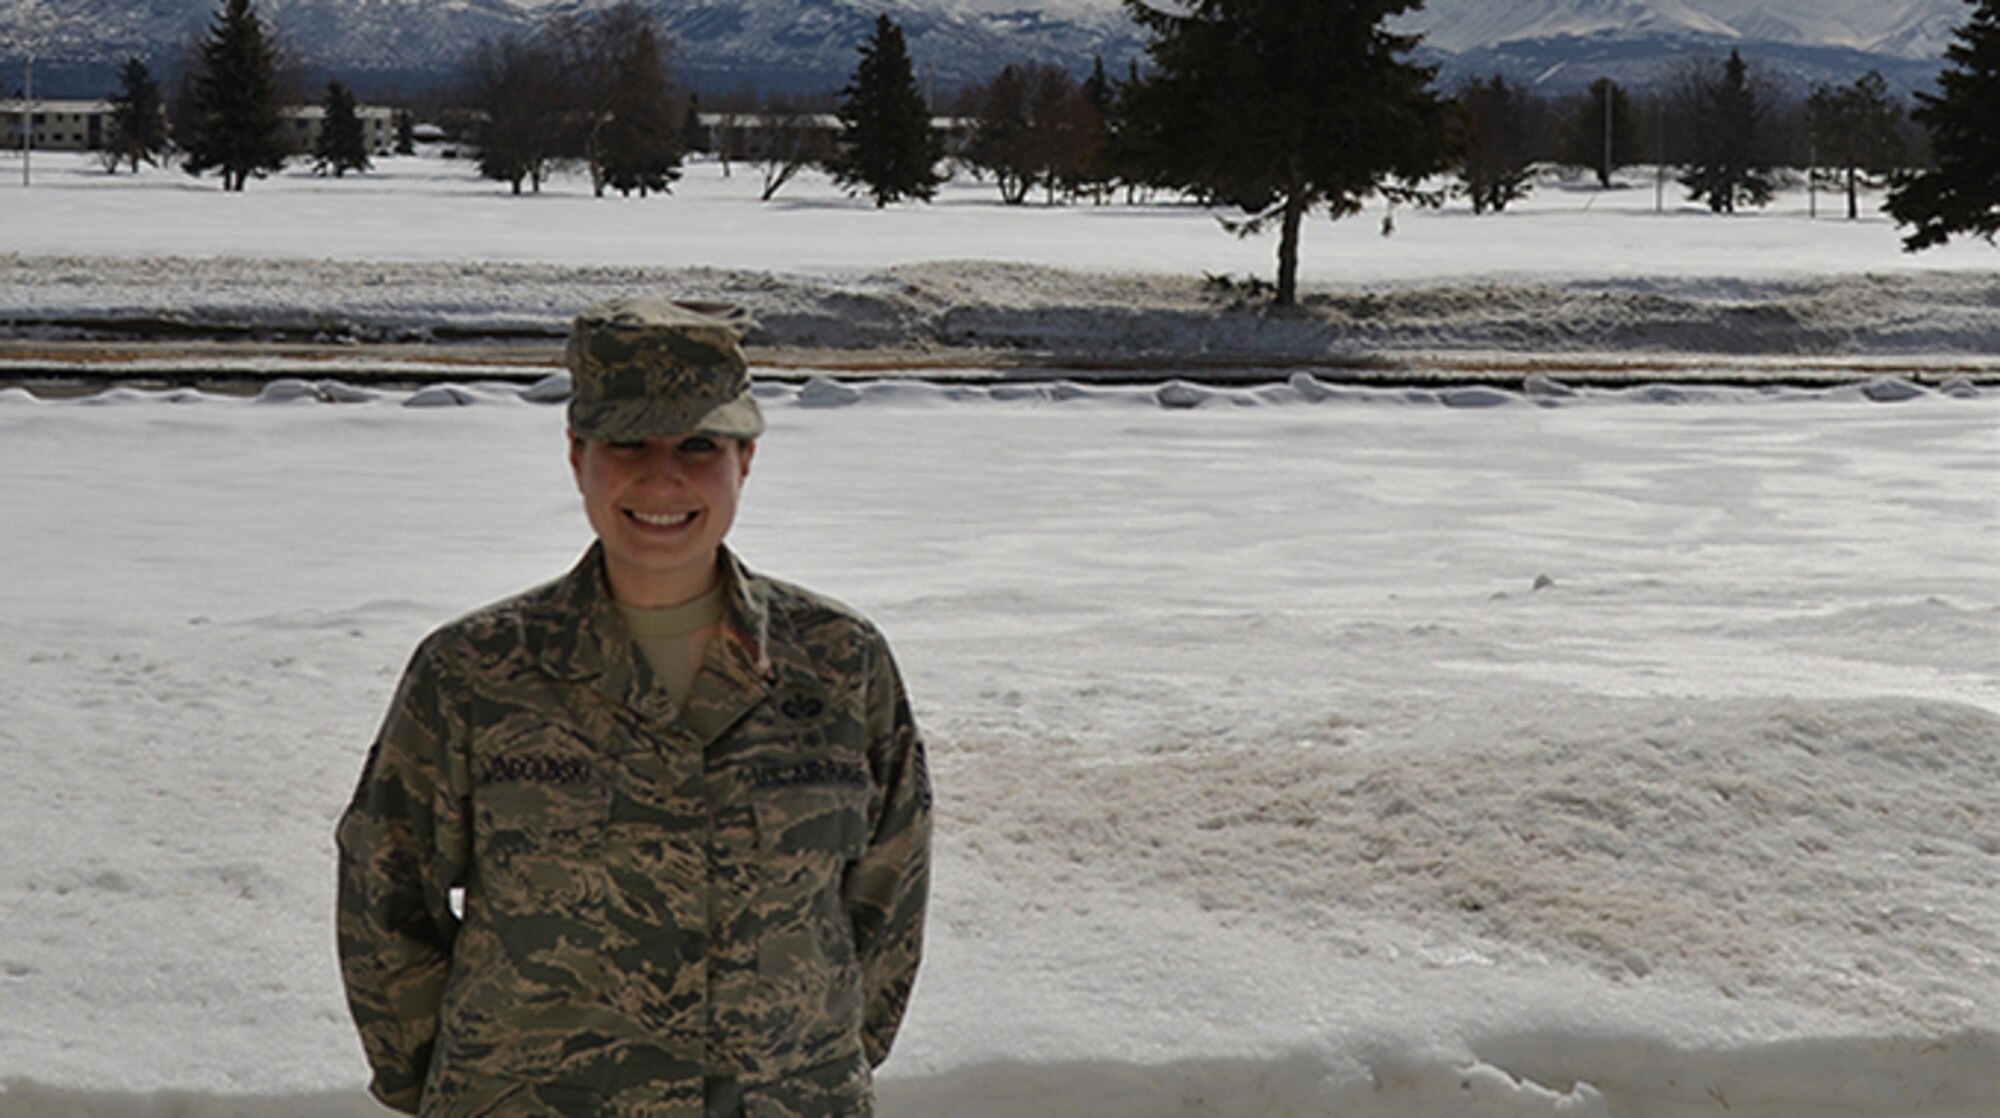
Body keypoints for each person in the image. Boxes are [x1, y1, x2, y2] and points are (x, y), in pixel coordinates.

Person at [336, 296, 932, 1117]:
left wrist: (810, 1065)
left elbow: (887, 897)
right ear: (577, 453)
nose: (663, 477)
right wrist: (468, 1082)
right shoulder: (475, 673)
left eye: (698, 445)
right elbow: (386, 896)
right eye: (628, 443)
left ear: (745, 459)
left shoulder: (838, 663)